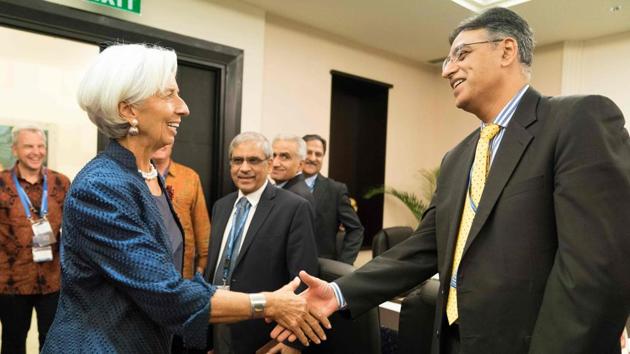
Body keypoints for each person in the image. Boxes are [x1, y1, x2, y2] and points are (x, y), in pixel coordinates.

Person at [273, 7, 630, 354]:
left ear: (507, 50)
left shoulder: (576, 120)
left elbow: (594, 268)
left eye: (461, 54)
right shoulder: (458, 158)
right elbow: (422, 249)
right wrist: (338, 293)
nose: (447, 70)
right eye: (446, 60)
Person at [41, 43, 328, 354]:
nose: (184, 107)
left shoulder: (148, 174)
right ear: (128, 110)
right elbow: (165, 292)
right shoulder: (101, 187)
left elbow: (166, 276)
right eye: (169, 94)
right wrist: (267, 303)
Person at [205, 131, 319, 354]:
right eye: (238, 160)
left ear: (268, 164)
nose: (244, 168)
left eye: (253, 160)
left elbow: (303, 280)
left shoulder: (294, 208)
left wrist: (289, 341)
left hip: (264, 334)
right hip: (219, 321)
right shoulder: (221, 206)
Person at [0, 125, 70, 354]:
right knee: (12, 343)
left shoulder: (61, 183)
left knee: (52, 343)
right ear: (15, 150)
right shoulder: (1, 183)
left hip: (52, 281)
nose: (36, 151)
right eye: (29, 146)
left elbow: (72, 228)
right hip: (10, 281)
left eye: (41, 146)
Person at [302, 134, 364, 265]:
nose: (313, 158)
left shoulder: (336, 190)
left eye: (318, 154)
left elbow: (356, 229)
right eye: (308, 152)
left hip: (321, 269)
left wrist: (342, 265)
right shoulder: (282, 187)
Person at [152, 143, 210, 279]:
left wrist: (200, 270)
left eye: (166, 138)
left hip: (183, 274)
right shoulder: (134, 177)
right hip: (147, 268)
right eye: (157, 137)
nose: (161, 143)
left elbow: (203, 230)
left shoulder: (190, 178)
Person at [270, 134, 315, 206]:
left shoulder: (298, 197)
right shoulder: (281, 189)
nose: (275, 164)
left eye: (284, 157)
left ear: (300, 165)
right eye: (273, 155)